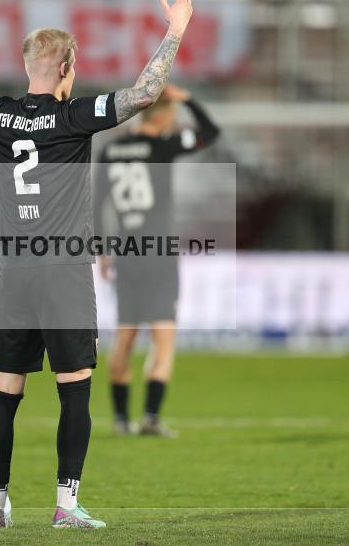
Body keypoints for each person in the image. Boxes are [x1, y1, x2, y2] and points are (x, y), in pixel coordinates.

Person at [0, 0, 194, 529]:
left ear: (29, 67)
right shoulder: (75, 116)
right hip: (65, 274)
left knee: (4, 395)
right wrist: (176, 30)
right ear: (66, 65)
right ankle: (65, 506)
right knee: (75, 393)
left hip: (14, 275)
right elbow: (144, 94)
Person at [95, 84, 220, 437]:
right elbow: (211, 133)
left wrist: (102, 252)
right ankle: (150, 416)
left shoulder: (110, 150)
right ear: (163, 116)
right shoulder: (162, 146)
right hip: (159, 253)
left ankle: (121, 419)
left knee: (125, 337)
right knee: (163, 338)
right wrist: (188, 97)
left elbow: (97, 203)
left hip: (127, 253)